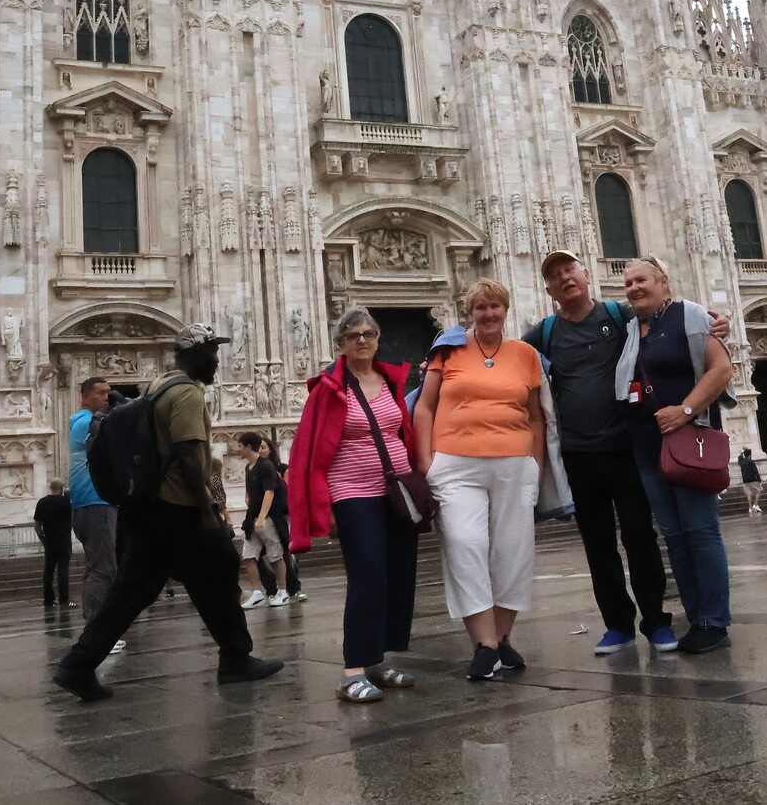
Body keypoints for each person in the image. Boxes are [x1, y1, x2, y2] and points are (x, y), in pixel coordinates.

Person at [53, 323, 284, 701]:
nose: (217, 359)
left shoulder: (158, 385)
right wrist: (207, 510)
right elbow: (190, 457)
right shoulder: (187, 393)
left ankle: (77, 666)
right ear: (194, 355)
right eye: (212, 352)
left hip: (150, 508)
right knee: (222, 569)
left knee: (133, 591)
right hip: (179, 507)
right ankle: (235, 658)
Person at [521, 250, 730, 658]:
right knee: (601, 544)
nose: (565, 278)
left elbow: (676, 318)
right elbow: (504, 356)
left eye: (570, 270)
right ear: (548, 290)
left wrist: (715, 320)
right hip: (579, 454)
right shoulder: (543, 333)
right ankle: (618, 625)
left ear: (586, 275)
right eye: (555, 275)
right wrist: (448, 354)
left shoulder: (621, 317)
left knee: (643, 537)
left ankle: (658, 622)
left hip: (629, 447)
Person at [415, 278, 545, 681]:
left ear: (506, 310)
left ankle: (499, 641)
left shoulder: (525, 353)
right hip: (455, 464)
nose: (488, 313)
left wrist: (536, 465)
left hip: (515, 463)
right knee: (464, 543)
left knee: (512, 550)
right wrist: (427, 462)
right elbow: (424, 407)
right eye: (481, 307)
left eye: (495, 306)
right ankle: (483, 643)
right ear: (469, 312)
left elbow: (537, 416)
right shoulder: (447, 349)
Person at [289, 308, 419, 703]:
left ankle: (377, 659)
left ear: (378, 338)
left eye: (368, 333)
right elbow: (308, 449)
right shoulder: (329, 388)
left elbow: (403, 430)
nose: (361, 340)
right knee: (368, 573)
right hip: (352, 491)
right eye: (352, 335)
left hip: (396, 491)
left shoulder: (390, 380)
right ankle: (352, 671)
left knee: (397, 573)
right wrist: (320, 505)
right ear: (340, 344)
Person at [615, 256, 735, 655]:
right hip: (648, 448)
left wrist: (685, 410)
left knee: (701, 532)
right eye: (628, 283)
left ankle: (714, 621)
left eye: (641, 280)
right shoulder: (630, 328)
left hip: (689, 441)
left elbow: (721, 369)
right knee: (676, 538)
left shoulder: (691, 316)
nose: (634, 287)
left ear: (663, 282)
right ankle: (697, 618)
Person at [69, 377, 120, 629]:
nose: (106, 397)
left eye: (108, 392)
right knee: (103, 569)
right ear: (84, 396)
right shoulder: (86, 423)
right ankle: (98, 632)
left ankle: (94, 627)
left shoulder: (81, 422)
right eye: (100, 393)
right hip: (96, 500)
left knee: (95, 568)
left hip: (88, 503)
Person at [235, 432, 290, 609]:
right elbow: (251, 493)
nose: (237, 449)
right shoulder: (248, 468)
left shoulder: (265, 466)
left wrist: (261, 518)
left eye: (240, 446)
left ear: (248, 447)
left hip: (267, 518)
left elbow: (269, 492)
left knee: (275, 554)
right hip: (253, 518)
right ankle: (257, 593)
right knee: (248, 555)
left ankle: (282, 592)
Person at [257, 439, 305, 602]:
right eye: (258, 447)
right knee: (263, 554)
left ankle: (294, 588)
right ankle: (272, 589)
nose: (260, 450)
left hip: (282, 514)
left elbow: (291, 490)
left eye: (263, 447)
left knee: (287, 552)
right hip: (265, 515)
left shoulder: (282, 468)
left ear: (271, 449)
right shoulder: (254, 469)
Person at [34, 478, 74, 607]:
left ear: (50, 488)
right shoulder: (66, 501)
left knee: (48, 570)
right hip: (64, 541)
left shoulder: (42, 502)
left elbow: (37, 525)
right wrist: (67, 493)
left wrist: (43, 539)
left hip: (49, 541)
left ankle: (48, 599)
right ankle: (64, 600)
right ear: (62, 488)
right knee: (63, 570)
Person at [737, 449, 762, 514]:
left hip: (745, 480)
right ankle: (755, 504)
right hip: (752, 479)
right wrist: (759, 479)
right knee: (759, 490)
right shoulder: (751, 461)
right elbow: (755, 470)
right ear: (750, 454)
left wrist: (741, 453)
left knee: (748, 494)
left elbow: (739, 460)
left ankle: (750, 508)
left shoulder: (741, 462)